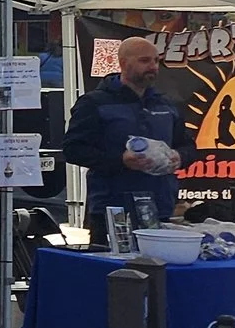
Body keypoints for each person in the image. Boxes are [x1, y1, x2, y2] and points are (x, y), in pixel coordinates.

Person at [63, 36, 181, 235]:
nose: (152, 66)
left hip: (159, 207)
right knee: (113, 266)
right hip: (112, 208)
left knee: (157, 265)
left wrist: (179, 156)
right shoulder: (94, 103)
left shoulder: (166, 104)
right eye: (145, 61)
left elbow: (188, 145)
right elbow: (73, 150)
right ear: (123, 63)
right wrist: (121, 160)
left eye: (156, 61)